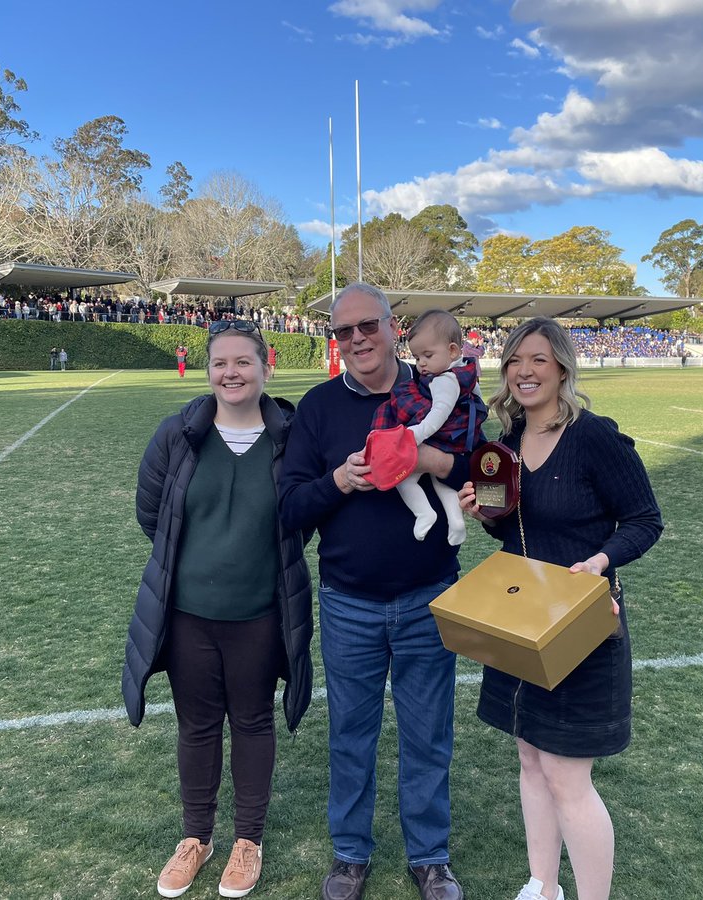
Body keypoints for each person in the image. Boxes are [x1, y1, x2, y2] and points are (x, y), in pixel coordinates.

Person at [458, 317, 663, 900]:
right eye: (514, 360)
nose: (524, 371)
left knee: (568, 778)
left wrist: (601, 560)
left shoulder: (594, 437)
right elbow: (515, 533)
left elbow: (645, 520)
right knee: (530, 759)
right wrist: (486, 514)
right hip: (520, 621)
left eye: (538, 360)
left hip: (582, 624)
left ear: (563, 368)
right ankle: (542, 886)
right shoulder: (502, 444)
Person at [279, 282, 470, 900]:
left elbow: (482, 464)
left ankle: (430, 857)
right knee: (351, 735)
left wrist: (432, 462)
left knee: (428, 734)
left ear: (393, 328)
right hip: (349, 604)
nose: (358, 338)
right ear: (336, 340)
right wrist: (339, 480)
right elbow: (289, 506)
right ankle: (350, 855)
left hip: (429, 596)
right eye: (345, 331)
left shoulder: (437, 389)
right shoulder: (318, 407)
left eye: (368, 326)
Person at [123, 319, 313, 899]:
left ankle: (248, 840)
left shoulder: (291, 437)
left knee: (253, 721)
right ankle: (196, 838)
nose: (231, 373)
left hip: (259, 615)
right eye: (220, 363)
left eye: (243, 362)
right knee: (198, 725)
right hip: (188, 616)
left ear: (265, 366)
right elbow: (152, 514)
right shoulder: (177, 434)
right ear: (208, 371)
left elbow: (302, 517)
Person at [369, 309, 486, 545]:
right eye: (416, 357)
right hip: (456, 438)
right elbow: (479, 400)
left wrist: (414, 434)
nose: (421, 363)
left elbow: (437, 415)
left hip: (440, 436)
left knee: (404, 479)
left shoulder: (444, 380)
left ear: (452, 350)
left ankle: (424, 513)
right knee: (440, 479)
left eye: (428, 355)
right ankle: (455, 520)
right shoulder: (464, 372)